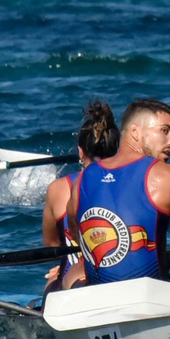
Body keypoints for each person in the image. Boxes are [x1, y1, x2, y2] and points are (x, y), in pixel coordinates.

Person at [67, 99, 170, 285]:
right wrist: (158, 261)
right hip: (144, 300)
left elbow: (77, 234)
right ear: (135, 132)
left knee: (70, 278)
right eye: (165, 131)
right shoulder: (168, 176)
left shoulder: (81, 179)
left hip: (94, 298)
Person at [42, 100, 121, 293]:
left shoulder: (59, 189)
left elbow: (52, 246)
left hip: (72, 284)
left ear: (80, 151)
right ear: (117, 149)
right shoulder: (134, 184)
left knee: (52, 279)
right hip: (122, 275)